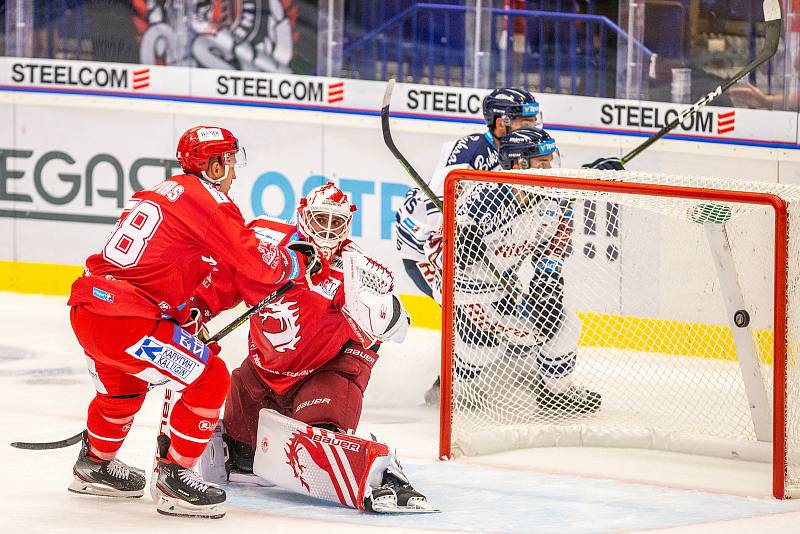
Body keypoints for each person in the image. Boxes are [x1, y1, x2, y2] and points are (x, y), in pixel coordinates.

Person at [66, 126, 315, 519]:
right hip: (128, 321)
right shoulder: (209, 201)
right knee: (211, 376)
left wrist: (185, 314)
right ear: (213, 166)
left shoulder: (164, 193)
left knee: (123, 389)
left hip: (90, 309)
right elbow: (252, 261)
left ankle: (95, 465)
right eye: (229, 163)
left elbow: (157, 268)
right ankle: (174, 476)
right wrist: (295, 262)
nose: (234, 174)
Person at [193, 183, 435, 513]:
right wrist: (195, 310)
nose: (328, 230)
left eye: (337, 224)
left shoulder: (354, 270)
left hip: (325, 369)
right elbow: (224, 274)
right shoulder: (264, 239)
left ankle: (383, 473)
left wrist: (381, 310)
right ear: (304, 215)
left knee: (316, 444)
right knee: (240, 460)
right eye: (321, 220)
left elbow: (396, 328)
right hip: (265, 369)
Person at [424, 128, 605, 414]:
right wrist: (455, 248)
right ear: (520, 164)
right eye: (542, 162)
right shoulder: (484, 196)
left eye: (550, 161)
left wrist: (547, 286)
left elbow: (551, 248)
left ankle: (555, 392)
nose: (550, 169)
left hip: (501, 288)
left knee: (562, 325)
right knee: (484, 349)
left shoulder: (549, 202)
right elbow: (433, 248)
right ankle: (454, 387)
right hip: (464, 289)